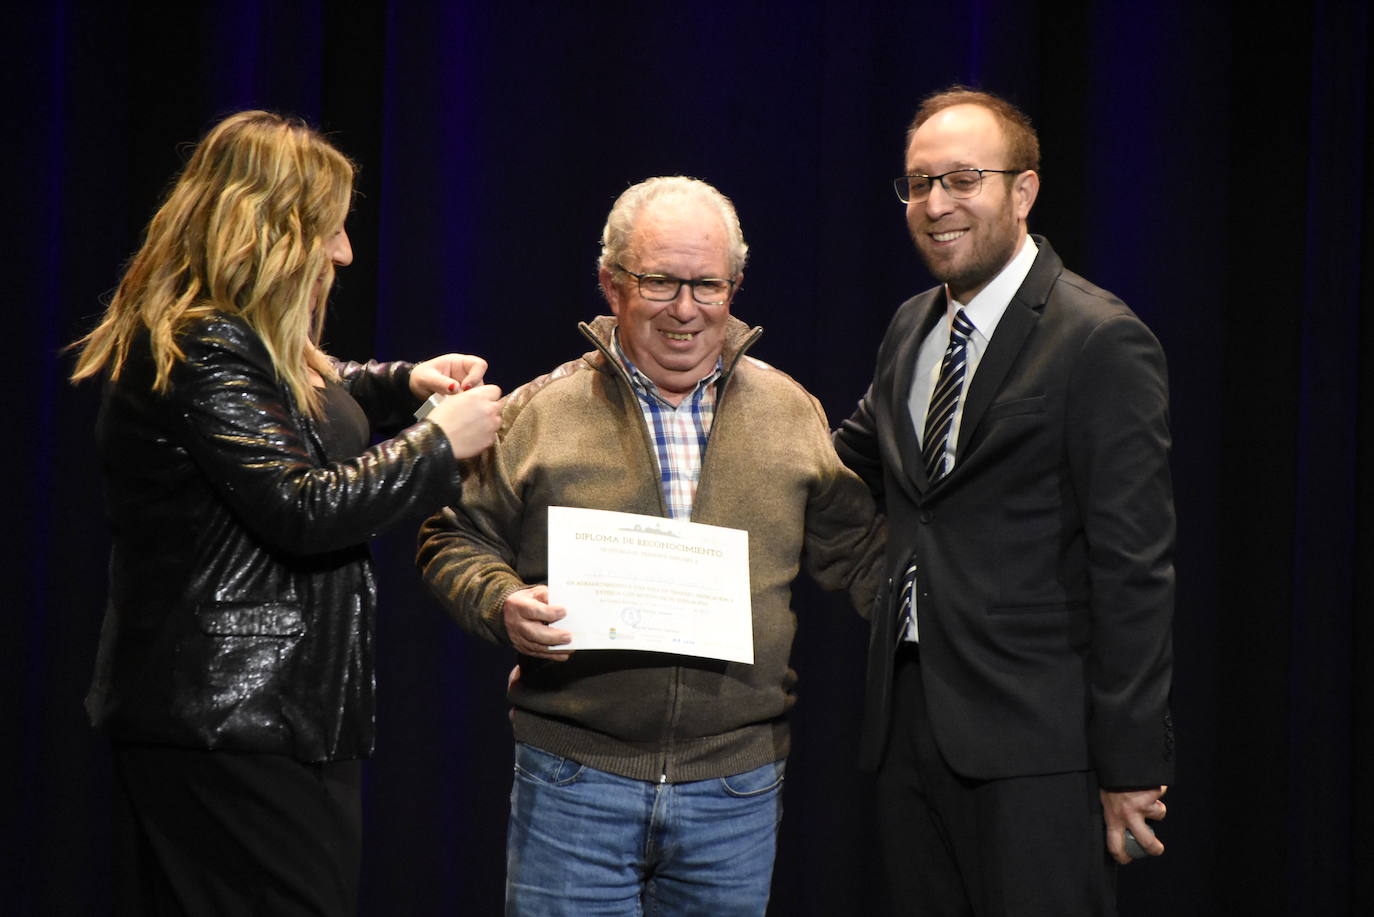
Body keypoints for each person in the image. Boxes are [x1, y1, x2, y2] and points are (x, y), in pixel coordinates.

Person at [69, 110, 503, 915]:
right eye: (330, 231)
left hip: (274, 718)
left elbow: (305, 397)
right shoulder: (200, 346)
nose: (344, 253)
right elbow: (302, 505)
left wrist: (400, 380)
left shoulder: (242, 343)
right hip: (228, 719)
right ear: (268, 230)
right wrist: (435, 444)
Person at [417, 175, 884, 916]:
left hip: (735, 789)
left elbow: (862, 553)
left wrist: (978, 629)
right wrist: (501, 602)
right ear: (612, 283)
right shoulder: (540, 412)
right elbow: (454, 535)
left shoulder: (790, 413)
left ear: (735, 285)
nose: (687, 309)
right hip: (575, 777)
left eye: (708, 284)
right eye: (662, 281)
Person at [834, 87, 1175, 916]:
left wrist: (1131, 765)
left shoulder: (1098, 338)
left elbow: (1135, 567)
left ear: (1022, 191)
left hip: (1038, 744)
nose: (935, 205)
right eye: (918, 184)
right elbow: (840, 467)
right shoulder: (912, 326)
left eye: (962, 179)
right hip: (910, 727)